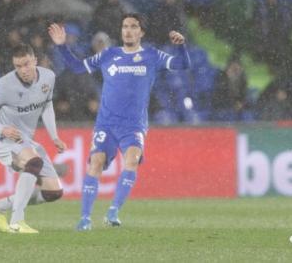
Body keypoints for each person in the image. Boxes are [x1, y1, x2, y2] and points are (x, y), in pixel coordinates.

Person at [48, 13, 190, 231]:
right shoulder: (108, 55)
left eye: (134, 26)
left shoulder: (152, 55)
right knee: (96, 163)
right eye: (125, 26)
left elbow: (182, 64)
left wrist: (180, 46)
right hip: (106, 124)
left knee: (132, 160)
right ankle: (85, 218)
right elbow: (77, 67)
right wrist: (61, 46)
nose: (128, 30)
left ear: (141, 32)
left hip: (133, 125)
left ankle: (113, 211)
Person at [0, 43, 66, 234]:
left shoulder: (48, 77)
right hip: (4, 140)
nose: (23, 70)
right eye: (18, 66)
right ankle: (17, 222)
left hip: (26, 140)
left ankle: (0, 206)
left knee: (53, 192)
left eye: (26, 64)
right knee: (33, 162)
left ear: (35, 60)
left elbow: (47, 105)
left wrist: (55, 136)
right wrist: (2, 129)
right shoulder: (4, 85)